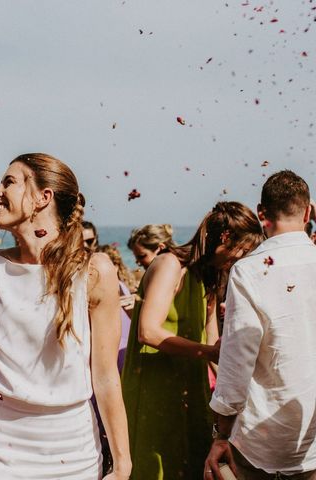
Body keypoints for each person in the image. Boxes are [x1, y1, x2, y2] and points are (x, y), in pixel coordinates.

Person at [0, 153, 132, 479]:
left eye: (8, 182)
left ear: (42, 197)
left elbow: (105, 376)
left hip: (72, 446)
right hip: (1, 442)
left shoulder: (94, 271)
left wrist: (122, 463)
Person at [121, 201, 264, 479]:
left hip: (192, 390)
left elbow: (214, 343)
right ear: (225, 239)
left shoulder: (209, 276)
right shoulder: (169, 264)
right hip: (153, 389)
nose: (241, 259)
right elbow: (148, 331)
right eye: (242, 250)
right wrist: (208, 352)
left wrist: (235, 401)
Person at [205, 171, 316, 480]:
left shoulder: (249, 271)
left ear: (261, 213)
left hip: (260, 438)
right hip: (311, 437)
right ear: (308, 211)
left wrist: (221, 435)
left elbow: (236, 360)